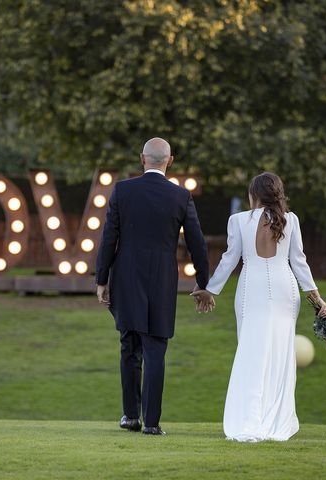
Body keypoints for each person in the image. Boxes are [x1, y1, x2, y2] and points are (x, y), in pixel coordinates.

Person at [193, 172, 326, 442]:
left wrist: (211, 290)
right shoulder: (291, 220)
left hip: (251, 289)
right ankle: (273, 420)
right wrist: (317, 300)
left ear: (252, 195)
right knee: (280, 355)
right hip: (284, 289)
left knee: (250, 351)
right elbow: (299, 263)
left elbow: (229, 259)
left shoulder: (238, 220)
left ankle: (250, 419)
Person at [95, 137, 211, 435]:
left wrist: (101, 280)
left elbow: (109, 238)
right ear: (169, 161)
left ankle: (131, 416)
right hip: (162, 280)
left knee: (129, 346)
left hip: (126, 278)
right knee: (155, 350)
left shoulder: (122, 190)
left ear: (142, 159)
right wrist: (202, 282)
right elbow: (197, 243)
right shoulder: (181, 197)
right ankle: (153, 423)